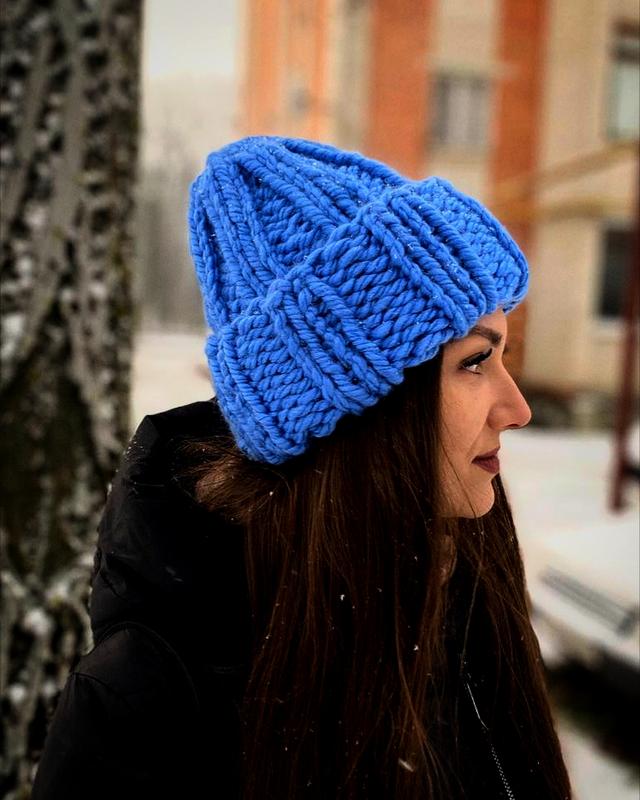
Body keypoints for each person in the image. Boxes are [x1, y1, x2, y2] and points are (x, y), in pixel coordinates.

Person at [32, 137, 572, 799]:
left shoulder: (460, 595)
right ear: (361, 409)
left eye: (502, 356)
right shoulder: (147, 704)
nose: (517, 410)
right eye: (474, 362)